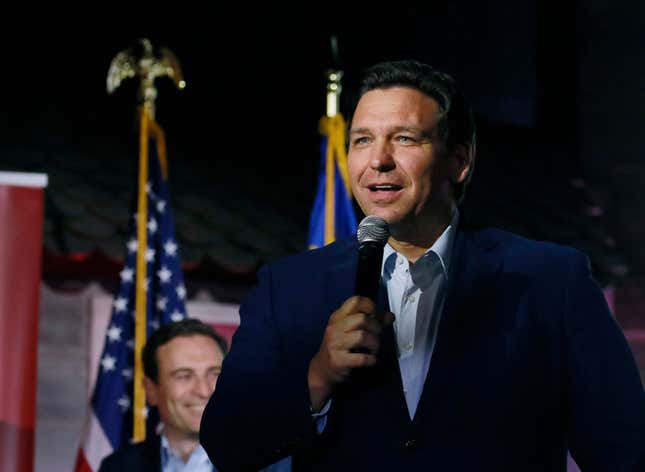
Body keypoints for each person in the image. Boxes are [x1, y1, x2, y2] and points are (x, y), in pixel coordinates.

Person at [199, 60, 645, 471]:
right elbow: (227, 443)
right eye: (362, 140)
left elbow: (624, 451)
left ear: (459, 161)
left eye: (405, 138)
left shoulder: (549, 281)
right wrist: (318, 377)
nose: (378, 160)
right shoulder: (290, 288)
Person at [99, 318, 227, 472]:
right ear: (151, 389)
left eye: (215, 374)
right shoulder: (117, 467)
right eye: (184, 376)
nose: (204, 391)